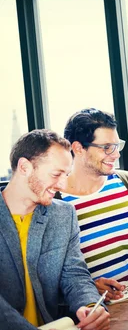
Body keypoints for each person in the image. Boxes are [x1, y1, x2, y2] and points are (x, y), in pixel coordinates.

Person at [0, 130, 110, 330]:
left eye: (66, 175)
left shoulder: (63, 215)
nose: (62, 184)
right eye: (56, 174)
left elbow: (75, 274)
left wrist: (90, 305)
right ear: (24, 167)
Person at [57, 108, 128, 302]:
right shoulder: (56, 202)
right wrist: (89, 290)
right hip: (90, 313)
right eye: (107, 147)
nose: (116, 154)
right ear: (78, 148)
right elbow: (48, 275)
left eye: (117, 145)